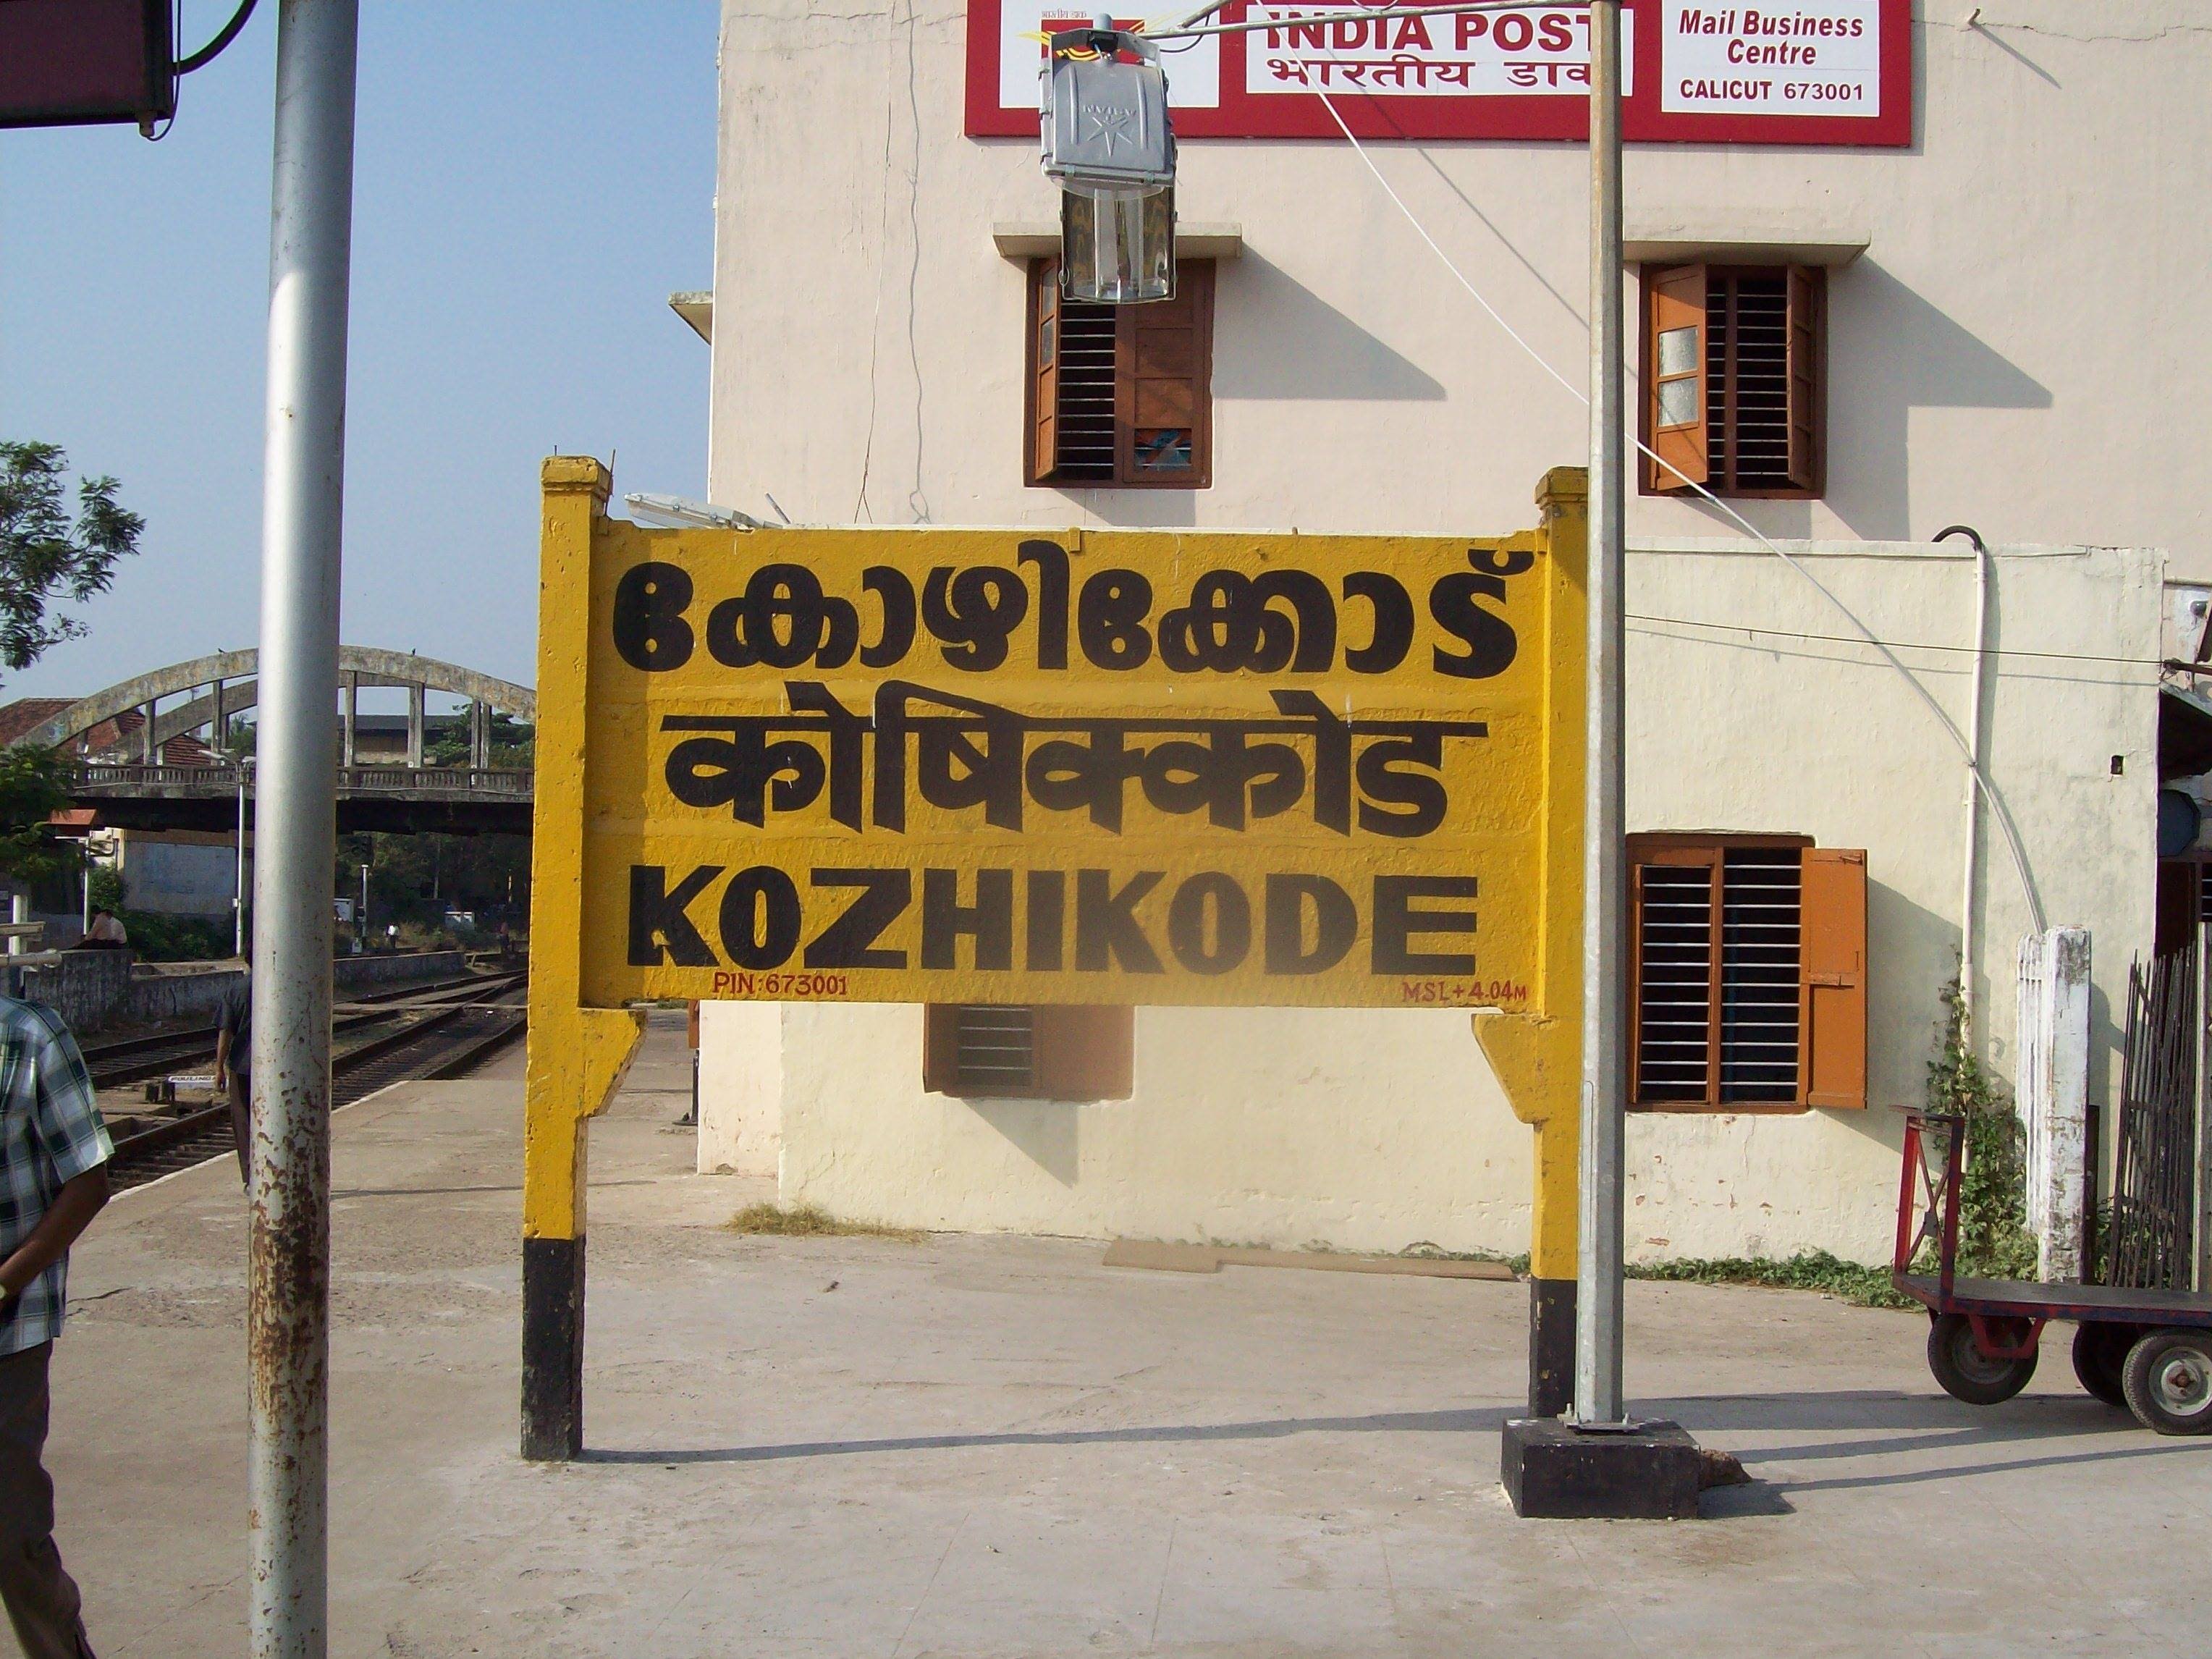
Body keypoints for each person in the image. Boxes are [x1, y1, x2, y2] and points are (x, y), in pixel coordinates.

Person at [0, 994, 112, 1658]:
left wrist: (9, 1279)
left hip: (7, 1337)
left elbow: (89, 1178)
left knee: (11, 1538)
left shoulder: (28, 1038)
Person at [214, 974, 250, 1186]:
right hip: (281, 1065)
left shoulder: (237, 989)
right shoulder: (289, 981)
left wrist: (219, 1067)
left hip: (243, 1063)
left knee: (243, 1119)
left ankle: (250, 1175)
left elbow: (225, 1031)